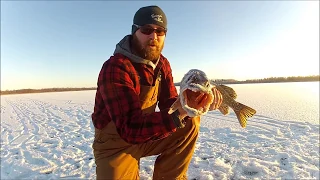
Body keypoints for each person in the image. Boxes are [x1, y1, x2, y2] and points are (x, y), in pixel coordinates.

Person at [91, 5, 223, 180]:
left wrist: (191, 102)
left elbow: (169, 102)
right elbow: (129, 128)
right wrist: (180, 112)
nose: (154, 36)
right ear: (134, 32)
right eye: (147, 30)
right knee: (181, 117)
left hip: (146, 133)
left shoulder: (163, 64)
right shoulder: (116, 67)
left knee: (190, 122)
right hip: (116, 144)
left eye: (160, 31)